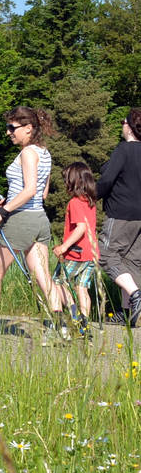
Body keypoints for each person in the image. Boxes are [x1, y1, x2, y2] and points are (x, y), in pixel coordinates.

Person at [0, 106, 64, 340]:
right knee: (43, 276)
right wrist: (10, 198)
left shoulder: (28, 153)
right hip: (40, 219)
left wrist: (3, 210)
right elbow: (42, 193)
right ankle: (61, 328)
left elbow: (29, 190)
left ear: (28, 128)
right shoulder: (45, 153)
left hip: (20, 221)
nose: (8, 132)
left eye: (12, 128)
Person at [96, 108, 141, 326]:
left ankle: (135, 295)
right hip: (140, 216)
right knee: (131, 260)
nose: (121, 125)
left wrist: (92, 195)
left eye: (123, 121)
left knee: (106, 255)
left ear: (130, 126)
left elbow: (106, 180)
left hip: (120, 212)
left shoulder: (124, 149)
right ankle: (130, 313)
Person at [51, 161, 98, 333]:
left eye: (66, 180)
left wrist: (63, 247)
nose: (65, 184)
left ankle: (74, 314)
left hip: (76, 254)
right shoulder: (90, 201)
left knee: (57, 283)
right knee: (82, 288)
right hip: (91, 254)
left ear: (73, 182)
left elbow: (81, 228)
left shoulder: (75, 202)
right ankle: (84, 324)